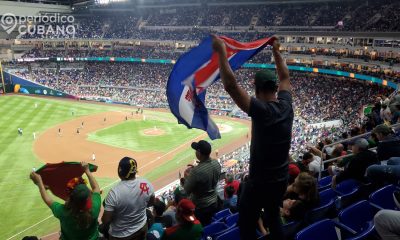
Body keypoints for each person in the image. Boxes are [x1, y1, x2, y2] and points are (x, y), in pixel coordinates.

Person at [213, 36, 293, 240]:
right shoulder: (286, 105)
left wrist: (221, 53)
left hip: (259, 184)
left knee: (246, 224)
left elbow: (231, 86)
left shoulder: (261, 110)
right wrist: (276, 51)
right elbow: (285, 77)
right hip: (281, 179)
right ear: (275, 88)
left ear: (255, 88)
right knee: (274, 217)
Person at [29, 162, 101, 240]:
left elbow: (47, 199)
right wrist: (87, 170)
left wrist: (40, 182)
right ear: (88, 197)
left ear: (70, 198)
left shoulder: (63, 212)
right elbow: (96, 188)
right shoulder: (95, 206)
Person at [102, 157, 155, 240]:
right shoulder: (146, 183)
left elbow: (106, 220)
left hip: (120, 236)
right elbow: (151, 203)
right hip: (141, 227)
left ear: (120, 171)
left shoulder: (114, 193)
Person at [184, 140, 221, 226]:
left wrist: (187, 177)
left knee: (204, 227)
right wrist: (197, 169)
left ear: (199, 153)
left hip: (201, 207)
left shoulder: (196, 172)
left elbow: (186, 190)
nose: (195, 152)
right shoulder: (216, 163)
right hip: (214, 202)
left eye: (196, 150)